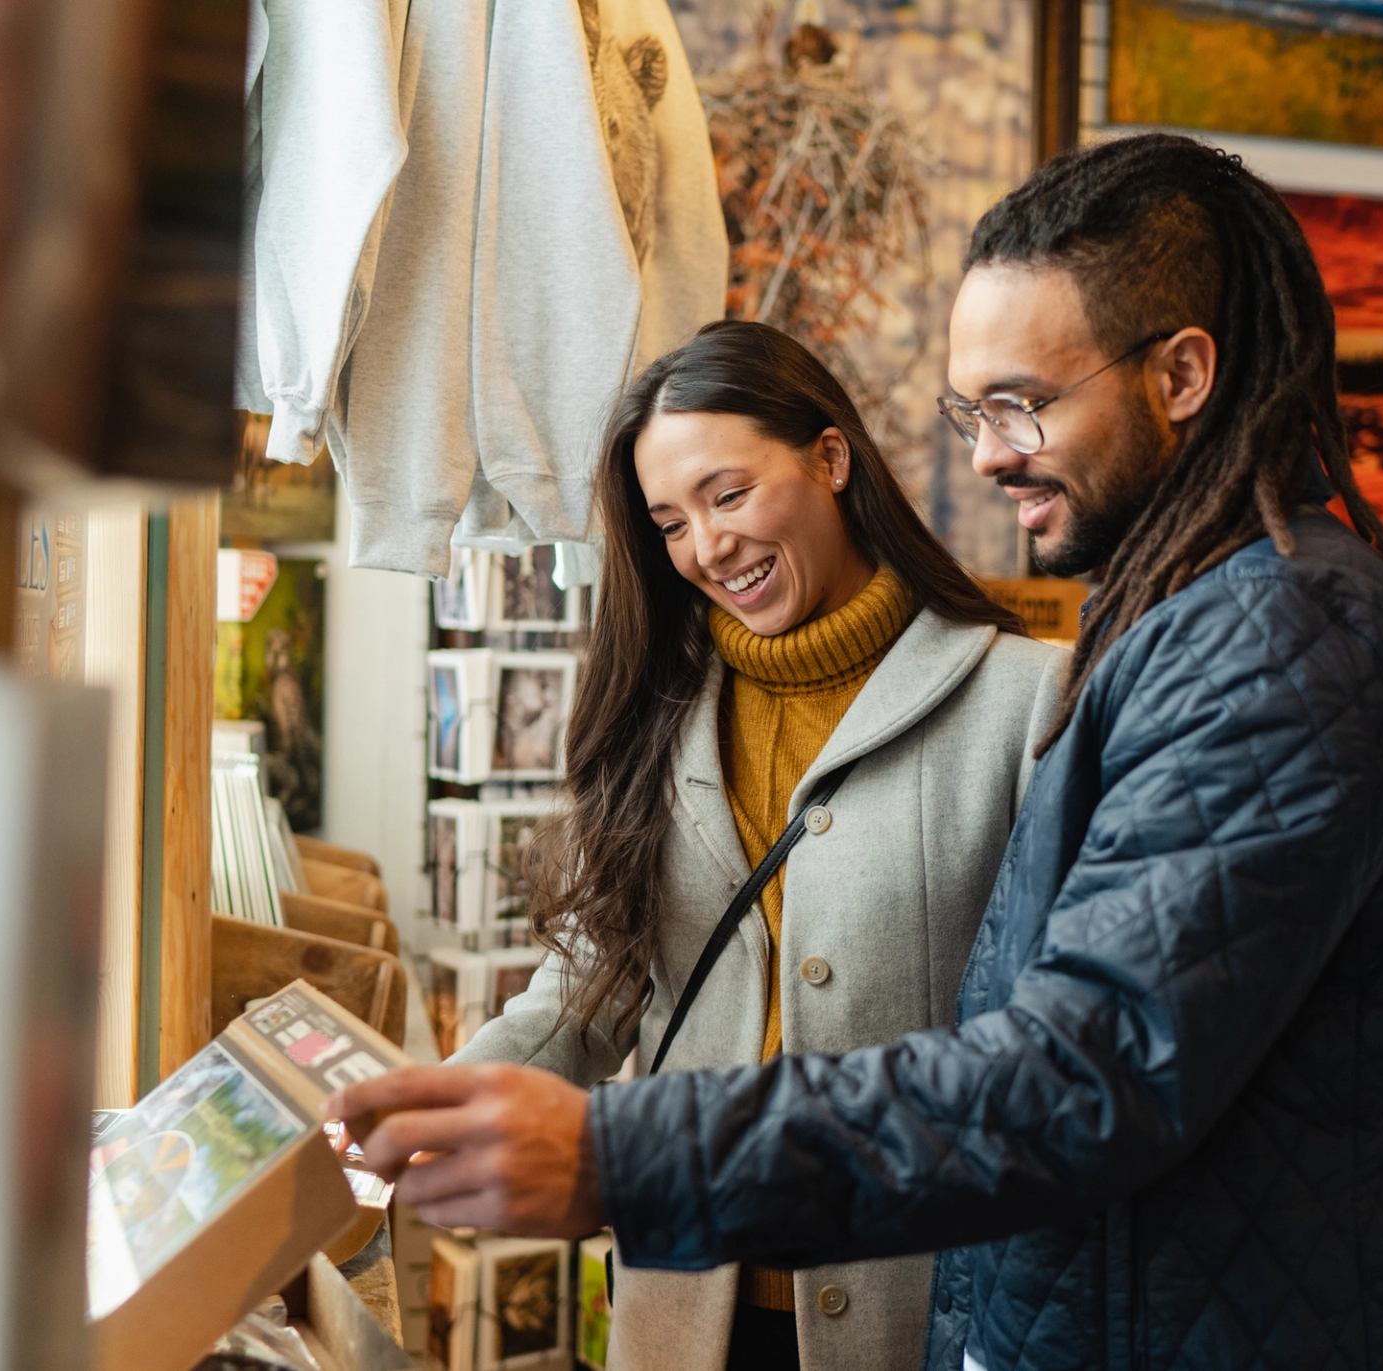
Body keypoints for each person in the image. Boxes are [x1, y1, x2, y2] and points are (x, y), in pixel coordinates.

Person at [335, 134, 1383, 1370]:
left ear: (1179, 375)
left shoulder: (1276, 640)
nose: (989, 453)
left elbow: (1085, 1071)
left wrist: (619, 1154)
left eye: (1023, 403)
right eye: (972, 411)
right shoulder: (1191, 621)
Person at [441, 319, 1065, 1371]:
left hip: (923, 1317)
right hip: (685, 1313)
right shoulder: (659, 717)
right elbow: (589, 988)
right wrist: (431, 1114)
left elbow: (1053, 1049)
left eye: (728, 496)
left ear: (831, 459)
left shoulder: (1028, 701)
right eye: (671, 522)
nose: (706, 547)